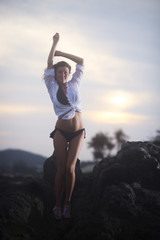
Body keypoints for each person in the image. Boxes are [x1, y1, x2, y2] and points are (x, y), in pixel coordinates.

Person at [44, 33, 85, 219]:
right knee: (61, 168)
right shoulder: (51, 85)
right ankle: (57, 204)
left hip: (78, 132)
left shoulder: (75, 82)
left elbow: (81, 61)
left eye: (65, 72)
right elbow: (50, 63)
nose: (62, 74)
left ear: (68, 74)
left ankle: (67, 204)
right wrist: (54, 44)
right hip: (61, 131)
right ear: (56, 75)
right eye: (59, 72)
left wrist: (63, 53)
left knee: (71, 168)